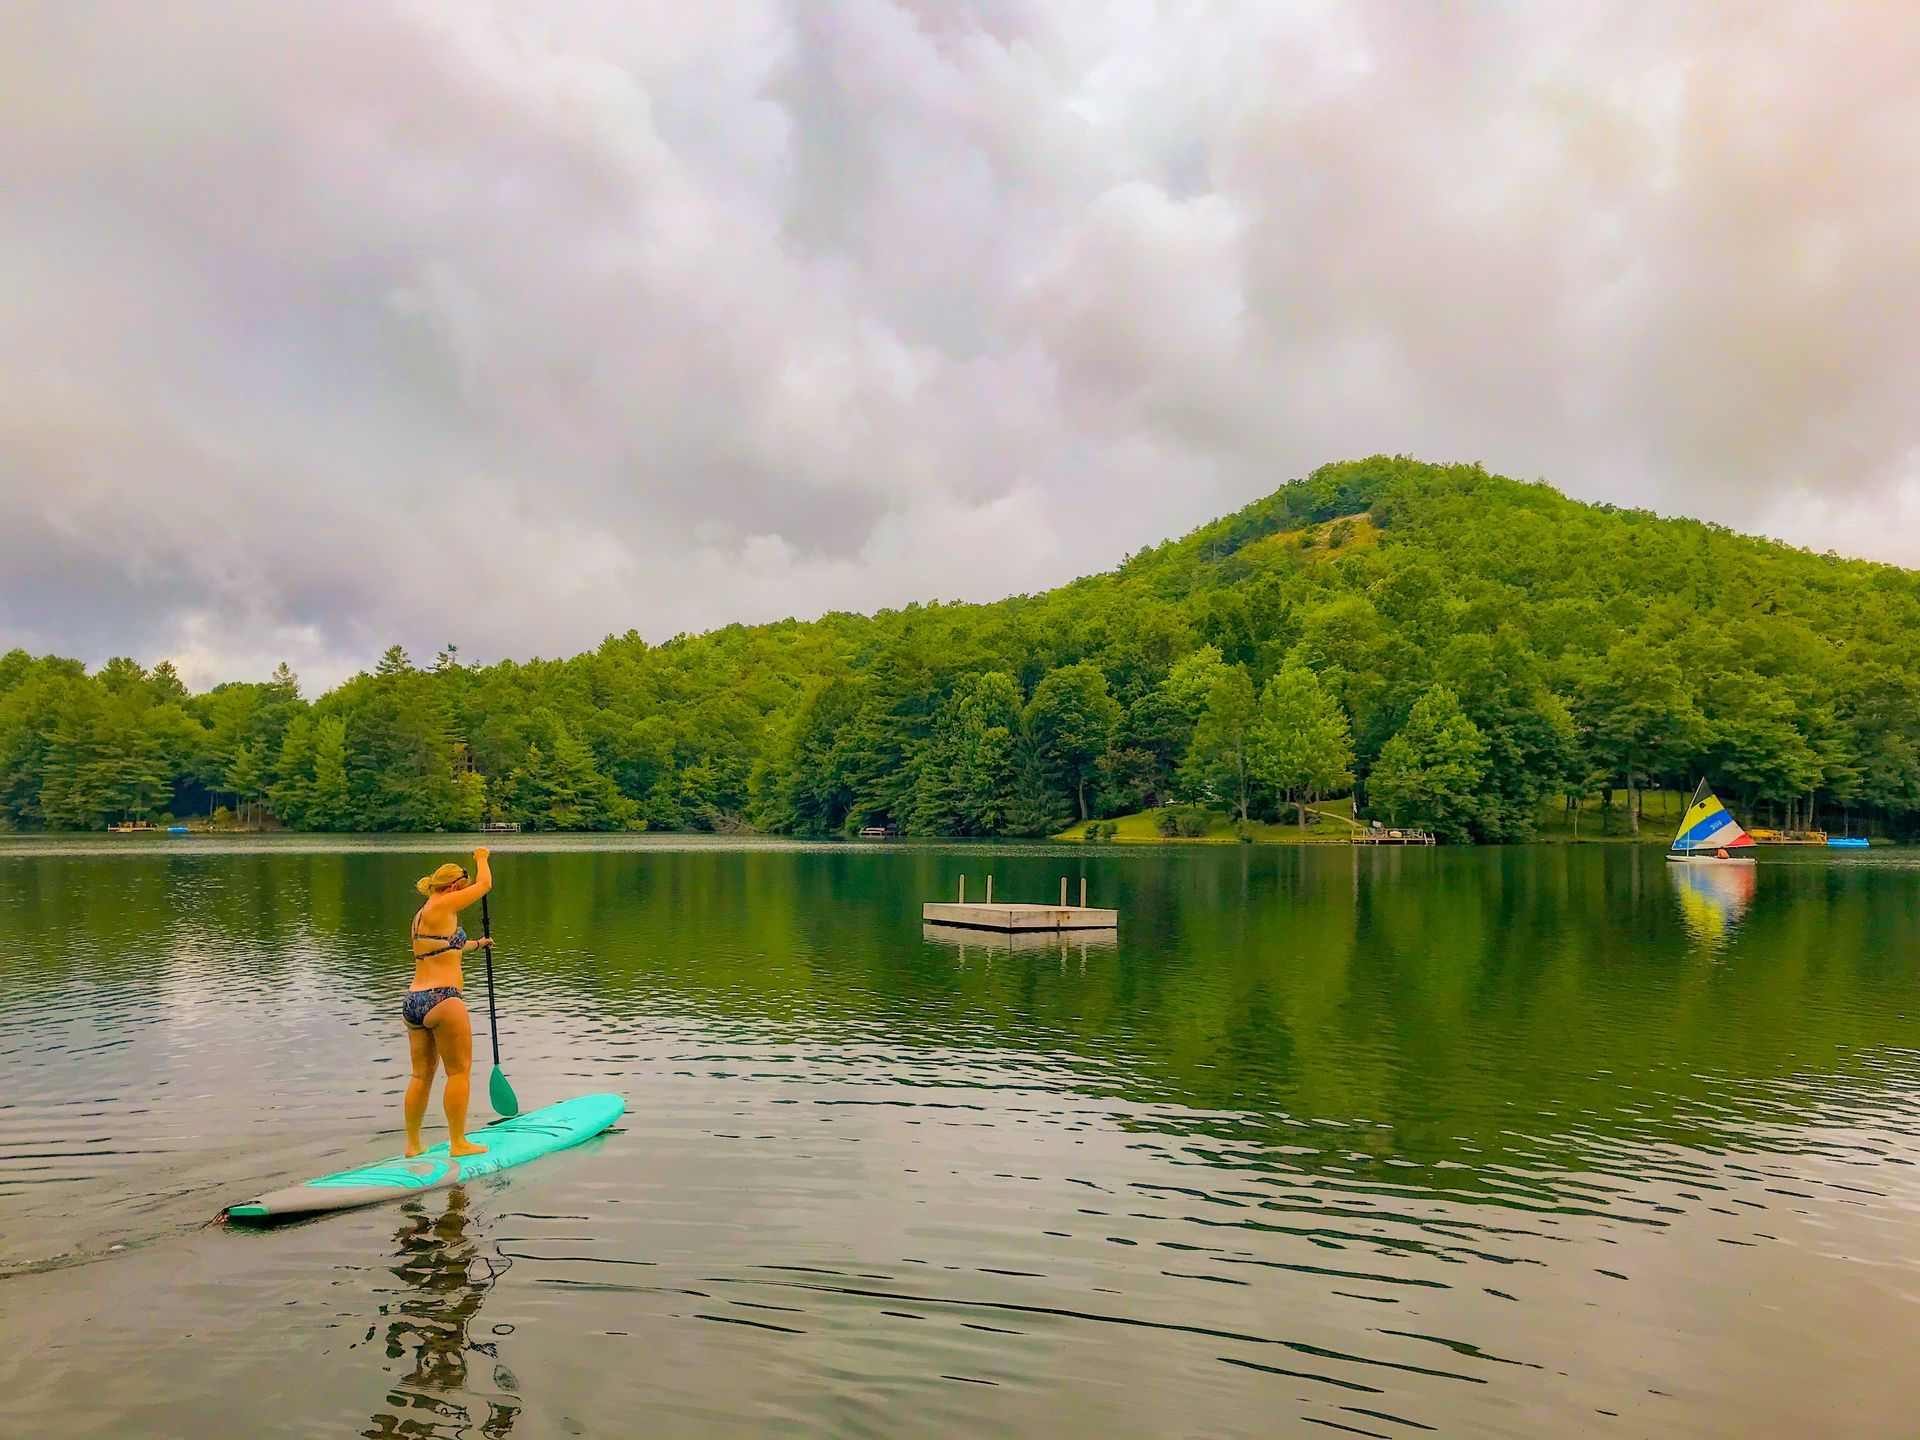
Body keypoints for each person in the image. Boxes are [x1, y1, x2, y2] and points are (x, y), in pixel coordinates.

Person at [404, 849, 494, 1157]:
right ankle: (458, 1143)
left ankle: (413, 1145)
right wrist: (482, 858)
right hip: (443, 999)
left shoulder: (422, 914)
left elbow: (444, 948)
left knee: (421, 1075)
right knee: (459, 1071)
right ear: (454, 887)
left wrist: (478, 944)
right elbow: (484, 886)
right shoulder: (444, 903)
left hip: (414, 1001)